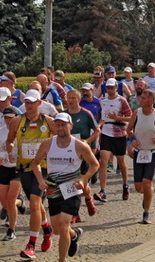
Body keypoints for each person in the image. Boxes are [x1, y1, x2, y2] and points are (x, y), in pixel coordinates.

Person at [30, 113, 99, 262]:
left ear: (70, 126)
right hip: (53, 189)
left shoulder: (79, 145)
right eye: (58, 125)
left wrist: (83, 178)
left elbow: (95, 165)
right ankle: (74, 235)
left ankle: (61, 259)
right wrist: (41, 180)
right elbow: (35, 163)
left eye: (63, 124)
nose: (60, 128)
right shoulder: (48, 144)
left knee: (64, 223)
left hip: (71, 188)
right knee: (57, 229)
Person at [5, 90, 56, 260]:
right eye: (26, 102)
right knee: (37, 205)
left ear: (39, 103)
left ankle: (31, 244)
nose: (29, 105)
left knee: (34, 203)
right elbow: (9, 140)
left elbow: (59, 141)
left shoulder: (48, 122)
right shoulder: (17, 121)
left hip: (43, 168)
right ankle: (47, 229)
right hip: (24, 168)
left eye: (32, 102)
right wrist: (10, 149)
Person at [127, 89, 155, 224]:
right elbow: (128, 129)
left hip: (153, 152)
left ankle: (146, 212)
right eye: (141, 97)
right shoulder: (136, 113)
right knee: (139, 187)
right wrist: (132, 139)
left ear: (151, 101)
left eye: (144, 98)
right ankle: (148, 193)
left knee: (147, 183)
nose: (141, 99)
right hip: (139, 152)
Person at [0, 95, 24, 242]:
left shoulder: (22, 132)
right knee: (5, 203)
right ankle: (20, 203)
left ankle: (11, 230)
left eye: (11, 118)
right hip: (3, 168)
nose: (8, 121)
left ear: (17, 117)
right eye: (6, 118)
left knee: (10, 199)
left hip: (17, 169)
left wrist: (20, 158)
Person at [62, 89, 99, 223]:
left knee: (81, 182)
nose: (71, 100)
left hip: (82, 153)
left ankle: (88, 198)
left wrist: (87, 141)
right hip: (67, 153)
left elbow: (97, 130)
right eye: (69, 98)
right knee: (72, 183)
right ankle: (75, 213)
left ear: (78, 100)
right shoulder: (63, 115)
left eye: (73, 98)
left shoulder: (85, 114)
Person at [94, 78, 132, 203]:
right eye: (108, 87)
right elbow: (102, 118)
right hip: (106, 132)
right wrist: (99, 126)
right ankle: (103, 191)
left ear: (116, 87)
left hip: (119, 133)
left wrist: (117, 118)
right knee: (103, 161)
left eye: (112, 87)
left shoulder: (122, 100)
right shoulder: (102, 101)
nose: (110, 89)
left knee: (121, 162)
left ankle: (126, 185)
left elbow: (130, 117)